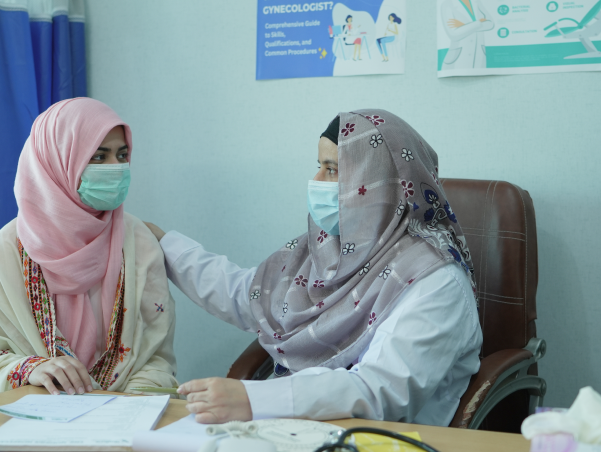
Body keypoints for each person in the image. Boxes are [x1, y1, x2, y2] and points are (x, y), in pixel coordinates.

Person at [146, 110, 482, 426]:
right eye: (318, 166)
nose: (316, 180)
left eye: (332, 170)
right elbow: (248, 297)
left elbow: (381, 390)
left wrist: (254, 399)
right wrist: (165, 245)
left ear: (378, 181)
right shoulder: (326, 250)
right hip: (301, 429)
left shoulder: (436, 281)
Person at [0, 98, 178, 405]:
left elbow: (156, 360)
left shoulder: (139, 243)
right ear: (57, 161)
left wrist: (126, 408)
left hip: (127, 419)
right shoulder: (3, 254)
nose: (116, 167)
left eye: (122, 155)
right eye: (99, 157)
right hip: (31, 421)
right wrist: (31, 369)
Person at [440, 0, 494, 69]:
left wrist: (464, 25)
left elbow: (490, 24)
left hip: (479, 55)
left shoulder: (476, 0)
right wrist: (478, 23)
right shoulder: (447, 4)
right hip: (458, 59)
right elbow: (454, 34)